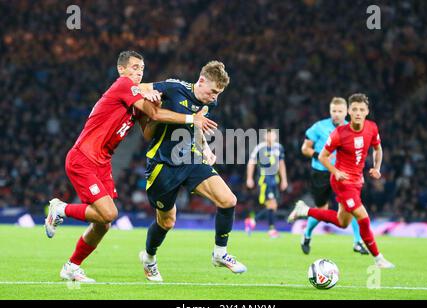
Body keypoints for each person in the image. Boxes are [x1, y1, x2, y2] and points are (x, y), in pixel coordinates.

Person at [44, 51, 217, 282]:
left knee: (103, 224)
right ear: (122, 70)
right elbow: (154, 112)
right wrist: (189, 118)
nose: (138, 72)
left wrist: (156, 101)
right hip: (83, 158)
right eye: (134, 68)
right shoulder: (124, 85)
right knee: (109, 213)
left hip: (102, 163)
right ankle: (60, 209)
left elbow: (148, 131)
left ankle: (71, 267)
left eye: (142, 69)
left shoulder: (136, 101)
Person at [137, 61, 246, 282]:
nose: (215, 97)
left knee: (228, 200)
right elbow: (139, 87)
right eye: (213, 91)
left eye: (219, 93)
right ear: (202, 80)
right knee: (166, 222)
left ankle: (220, 254)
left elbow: (196, 126)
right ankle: (149, 259)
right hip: (163, 165)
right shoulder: (175, 88)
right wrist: (150, 96)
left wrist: (205, 148)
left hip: (191, 160)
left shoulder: (209, 103)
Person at [288, 93, 395, 268]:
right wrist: (335, 171)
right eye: (355, 109)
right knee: (362, 215)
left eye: (361, 109)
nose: (358, 113)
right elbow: (323, 156)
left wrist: (377, 167)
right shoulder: (339, 133)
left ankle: (305, 210)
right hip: (342, 181)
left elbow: (377, 148)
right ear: (349, 112)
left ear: (367, 111)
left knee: (342, 222)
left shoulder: (372, 128)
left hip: (357, 181)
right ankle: (378, 258)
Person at [296, 97, 368, 255]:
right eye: (334, 111)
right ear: (330, 111)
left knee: (354, 206)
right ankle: (307, 235)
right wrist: (320, 155)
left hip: (343, 174)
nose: (336, 114)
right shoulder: (319, 127)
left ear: (346, 112)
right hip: (321, 172)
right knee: (322, 209)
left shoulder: (353, 128)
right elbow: (304, 148)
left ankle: (357, 242)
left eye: (340, 111)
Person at [245, 129, 288, 238]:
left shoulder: (279, 147)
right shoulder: (260, 148)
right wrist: (249, 178)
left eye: (272, 134)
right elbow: (251, 163)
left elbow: (281, 164)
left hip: (275, 179)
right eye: (268, 135)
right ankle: (271, 230)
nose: (270, 137)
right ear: (265, 136)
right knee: (271, 204)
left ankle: (252, 221)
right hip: (265, 179)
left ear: (275, 136)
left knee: (273, 206)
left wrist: (284, 179)